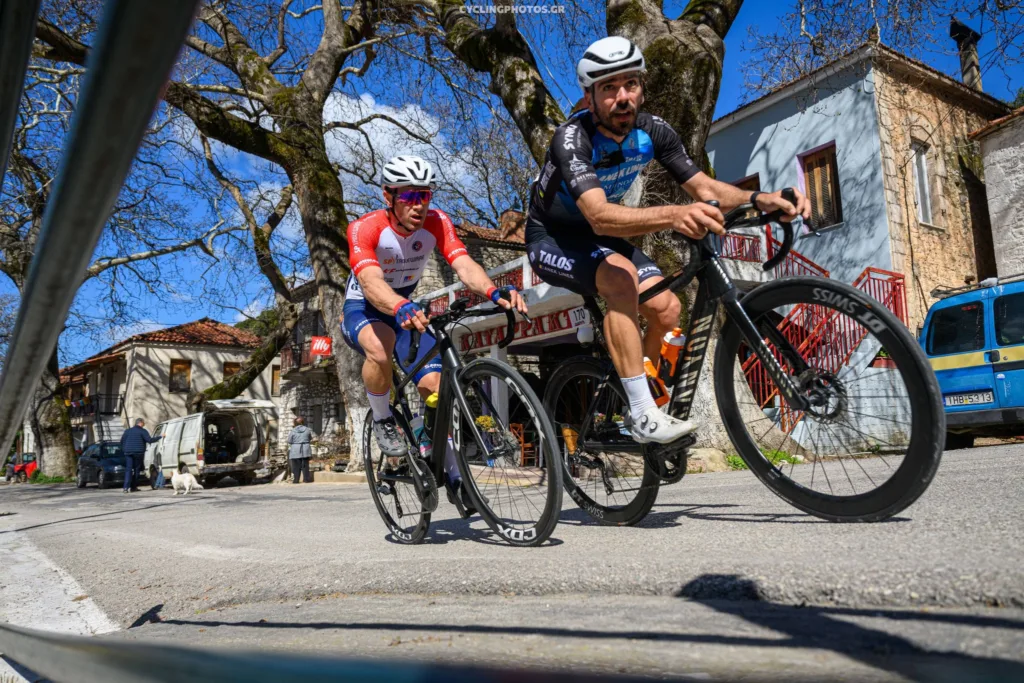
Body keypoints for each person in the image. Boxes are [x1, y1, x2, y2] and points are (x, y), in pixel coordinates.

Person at [526, 36, 811, 444]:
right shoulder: (573, 138)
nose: (622, 97)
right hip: (553, 237)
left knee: (667, 308)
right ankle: (644, 415)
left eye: (631, 84)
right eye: (608, 88)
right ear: (589, 97)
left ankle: (635, 394)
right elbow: (598, 214)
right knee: (621, 281)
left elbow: (702, 185)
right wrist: (674, 215)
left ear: (642, 88)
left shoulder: (654, 131)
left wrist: (759, 198)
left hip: (603, 235)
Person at [341, 154, 527, 506]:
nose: (418, 205)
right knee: (379, 349)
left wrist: (493, 290)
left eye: (424, 196)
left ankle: (449, 467)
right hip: (364, 306)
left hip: (405, 307)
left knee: (438, 388)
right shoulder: (364, 228)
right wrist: (398, 305)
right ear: (388, 197)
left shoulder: (438, 222)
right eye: (409, 197)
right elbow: (369, 279)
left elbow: (463, 264)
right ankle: (383, 419)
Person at [119, 418, 161, 493]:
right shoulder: (142, 431)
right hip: (138, 453)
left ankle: (125, 488)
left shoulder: (127, 431)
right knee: (136, 470)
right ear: (141, 423)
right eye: (143, 423)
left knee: (128, 470)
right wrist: (160, 436)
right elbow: (149, 440)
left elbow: (122, 441)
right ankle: (133, 487)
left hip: (128, 453)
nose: (144, 424)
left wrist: (124, 449)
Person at [286, 417, 313, 484]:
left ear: (295, 423)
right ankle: (306, 479)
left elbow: (289, 441)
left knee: (296, 465)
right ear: (303, 422)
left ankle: (296, 480)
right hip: (305, 448)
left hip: (295, 449)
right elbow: (310, 438)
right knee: (305, 464)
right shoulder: (307, 430)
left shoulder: (293, 431)